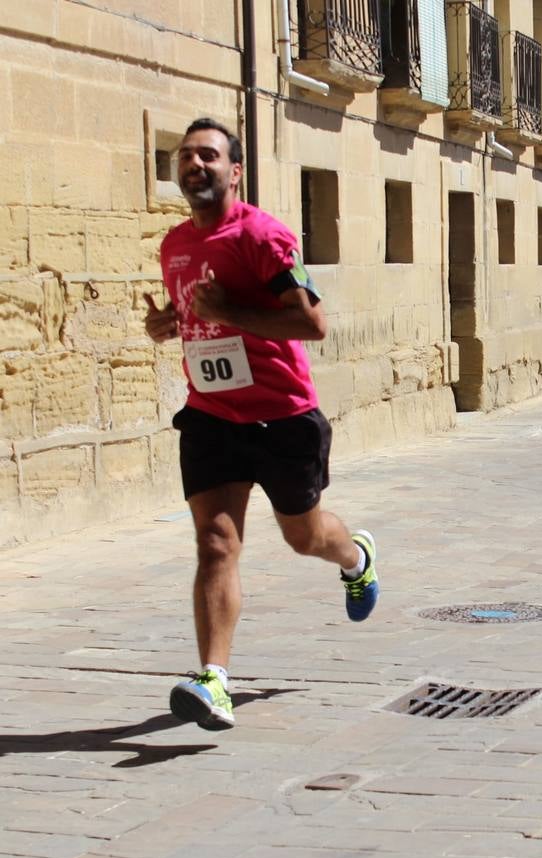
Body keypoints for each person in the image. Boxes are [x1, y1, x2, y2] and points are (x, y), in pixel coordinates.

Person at [143, 118, 379, 731]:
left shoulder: (264, 236)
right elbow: (194, 311)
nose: (195, 163)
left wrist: (232, 312)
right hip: (211, 415)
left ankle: (355, 558)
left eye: (209, 155)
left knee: (304, 538)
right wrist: (168, 323)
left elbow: (312, 324)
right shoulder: (174, 245)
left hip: (282, 416)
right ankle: (214, 679)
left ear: (235, 170)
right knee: (215, 543)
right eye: (186, 156)